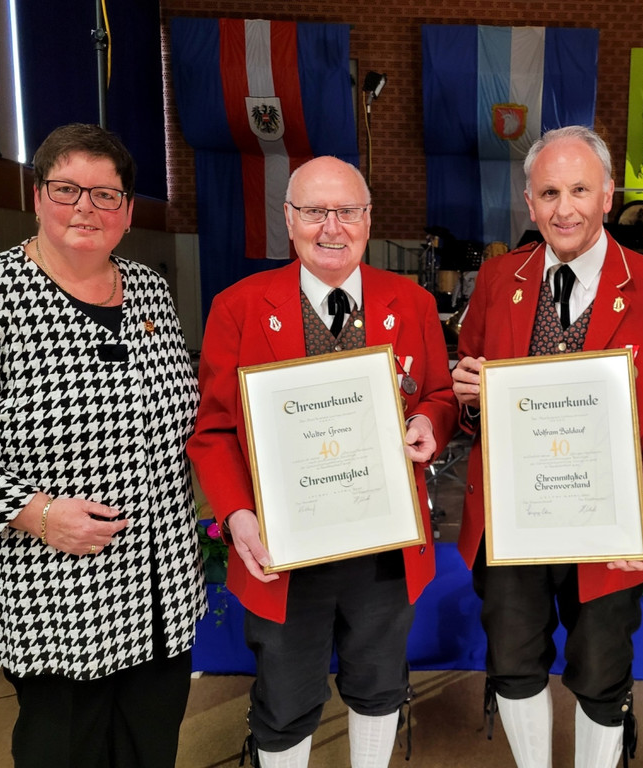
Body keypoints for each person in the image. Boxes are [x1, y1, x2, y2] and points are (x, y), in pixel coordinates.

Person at [0, 123, 206, 767]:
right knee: (67, 747)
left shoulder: (150, 290)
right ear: (37, 197)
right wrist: (31, 510)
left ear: (126, 210)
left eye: (105, 194)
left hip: (160, 587)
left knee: (151, 745)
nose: (85, 207)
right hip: (56, 588)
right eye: (66, 189)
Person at [187, 156, 457, 768]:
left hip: (384, 544)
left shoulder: (410, 302)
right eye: (314, 211)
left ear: (367, 219)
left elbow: (439, 396)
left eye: (347, 211)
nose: (331, 227)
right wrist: (234, 513)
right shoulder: (239, 306)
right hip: (285, 544)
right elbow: (214, 428)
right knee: (284, 699)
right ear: (289, 218)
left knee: (381, 685)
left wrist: (427, 425)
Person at [451, 126, 643, 767]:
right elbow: (470, 400)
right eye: (548, 193)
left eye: (579, 190)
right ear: (529, 203)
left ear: (608, 194)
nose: (564, 208)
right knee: (512, 659)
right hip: (513, 517)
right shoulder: (495, 279)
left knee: (600, 666)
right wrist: (466, 397)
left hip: (609, 518)